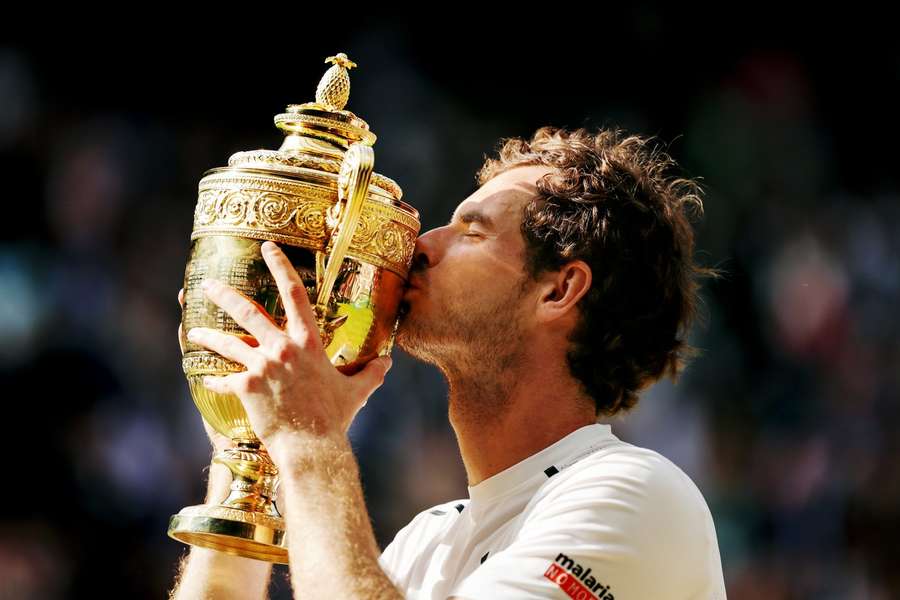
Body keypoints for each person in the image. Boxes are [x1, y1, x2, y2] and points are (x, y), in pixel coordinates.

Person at [169, 126, 727, 599]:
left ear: (559, 291)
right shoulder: (426, 542)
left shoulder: (637, 494)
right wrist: (248, 450)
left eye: (472, 230)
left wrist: (310, 434)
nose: (422, 246)